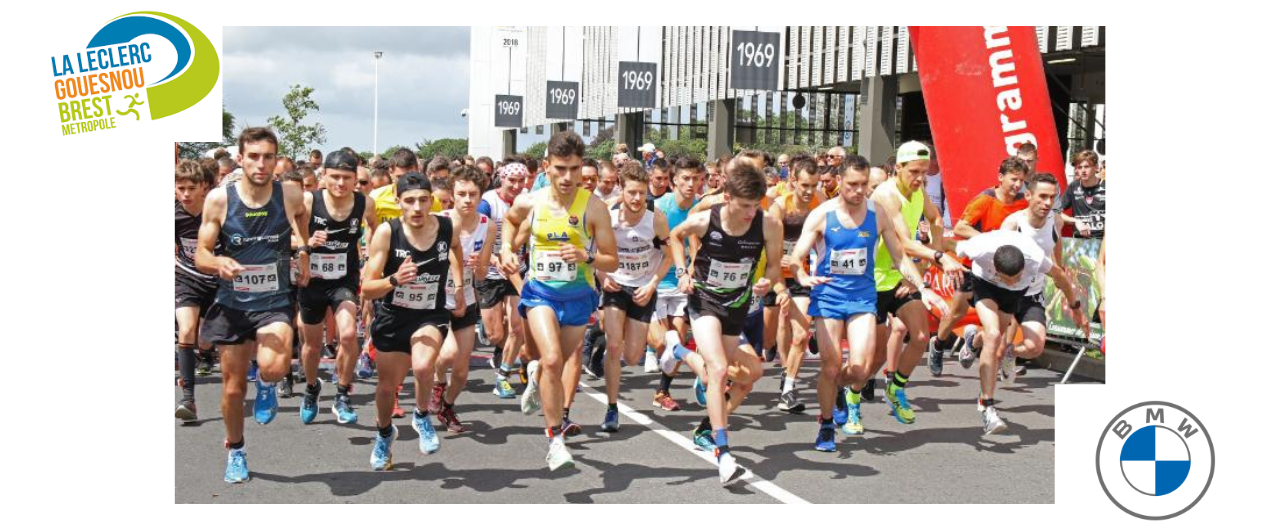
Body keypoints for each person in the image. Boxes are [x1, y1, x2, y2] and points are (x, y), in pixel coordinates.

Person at [789, 154, 946, 450]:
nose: (859, 191)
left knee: (860, 369)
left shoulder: (878, 213)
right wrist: (802, 276)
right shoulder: (822, 214)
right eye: (852, 184)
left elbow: (899, 255)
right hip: (828, 297)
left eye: (864, 185)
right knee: (831, 363)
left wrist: (922, 286)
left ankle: (835, 388)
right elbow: (797, 257)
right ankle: (825, 425)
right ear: (839, 182)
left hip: (862, 297)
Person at [194, 127, 312, 483]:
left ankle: (267, 383)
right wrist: (218, 263)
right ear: (241, 159)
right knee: (232, 389)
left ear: (277, 160)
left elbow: (302, 221)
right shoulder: (219, 199)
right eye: (254, 156)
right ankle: (236, 449)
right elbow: (201, 252)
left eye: (269, 157)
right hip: (233, 304)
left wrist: (303, 250)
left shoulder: (290, 195)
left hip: (274, 299)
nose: (261, 164)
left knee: (274, 367)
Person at [501, 131, 618, 471]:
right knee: (552, 358)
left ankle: (537, 373)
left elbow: (612, 260)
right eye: (561, 169)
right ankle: (555, 439)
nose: (569, 178)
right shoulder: (531, 201)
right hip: (540, 293)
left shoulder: (594, 208)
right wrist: (507, 249)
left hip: (579, 297)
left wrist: (587, 256)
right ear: (547, 167)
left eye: (576, 169)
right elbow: (510, 222)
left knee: (557, 361)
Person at [663, 161, 781, 485]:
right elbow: (676, 235)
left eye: (755, 206)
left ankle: (679, 352)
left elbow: (773, 267)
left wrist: (767, 282)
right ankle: (724, 454)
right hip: (704, 301)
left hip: (738, 306)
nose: (749, 213)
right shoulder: (705, 220)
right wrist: (682, 272)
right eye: (744, 206)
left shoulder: (768, 224)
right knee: (716, 370)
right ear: (726, 196)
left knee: (745, 374)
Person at [362, 172, 467, 469]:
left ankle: (421, 415)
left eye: (423, 200)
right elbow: (367, 288)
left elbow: (456, 250)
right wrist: (395, 279)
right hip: (393, 316)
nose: (417, 208)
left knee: (423, 366)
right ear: (398, 202)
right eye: (409, 201)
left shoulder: (447, 226)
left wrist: (458, 286)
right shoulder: (387, 232)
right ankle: (384, 434)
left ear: (432, 200)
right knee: (386, 388)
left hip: (429, 313)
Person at [866, 141, 965, 427]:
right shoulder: (887, 195)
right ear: (897, 168)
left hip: (902, 275)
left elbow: (935, 219)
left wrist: (923, 265)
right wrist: (938, 257)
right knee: (874, 353)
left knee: (920, 336)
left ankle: (896, 389)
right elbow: (905, 242)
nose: (921, 178)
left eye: (924, 172)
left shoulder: (918, 189)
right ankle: (852, 389)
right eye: (914, 171)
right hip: (874, 280)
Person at [953, 229, 1081, 434]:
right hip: (984, 285)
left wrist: (1076, 308)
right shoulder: (980, 248)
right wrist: (942, 260)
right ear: (995, 266)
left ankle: (973, 340)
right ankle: (986, 406)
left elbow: (1060, 277)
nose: (1013, 280)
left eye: (1018, 276)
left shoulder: (1035, 257)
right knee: (994, 335)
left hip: (1013, 296)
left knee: (992, 340)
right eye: (1008, 277)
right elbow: (945, 244)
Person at [296, 151, 380, 425]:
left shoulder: (364, 203)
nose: (341, 183)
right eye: (335, 177)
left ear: (356, 179)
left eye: (347, 178)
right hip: (313, 281)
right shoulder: (309, 200)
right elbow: (291, 236)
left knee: (346, 335)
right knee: (312, 345)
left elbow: (377, 233)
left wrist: (371, 262)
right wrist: (308, 242)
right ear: (323, 177)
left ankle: (343, 394)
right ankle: (311, 388)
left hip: (344, 280)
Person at [930, 157, 1030, 374]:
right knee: (957, 313)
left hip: (1002, 270)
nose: (1018, 185)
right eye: (1014, 179)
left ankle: (990, 351)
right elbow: (961, 228)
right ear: (1001, 177)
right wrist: (988, 242)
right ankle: (938, 344)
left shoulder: (1024, 203)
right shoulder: (985, 200)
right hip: (973, 267)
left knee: (1007, 316)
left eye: (1021, 180)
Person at [598, 161, 673, 432]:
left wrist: (653, 284)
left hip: (643, 289)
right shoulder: (608, 215)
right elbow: (595, 252)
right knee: (615, 347)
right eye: (631, 192)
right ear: (622, 189)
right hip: (617, 286)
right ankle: (611, 407)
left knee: (632, 357)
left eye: (642, 193)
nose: (637, 199)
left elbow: (669, 256)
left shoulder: (657, 219)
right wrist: (603, 277)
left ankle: (600, 344)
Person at [430, 165, 497, 433]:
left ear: (481, 196)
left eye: (473, 194)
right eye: (461, 194)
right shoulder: (438, 221)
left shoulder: (487, 226)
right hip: (438, 298)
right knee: (447, 354)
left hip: (467, 297)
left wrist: (478, 263)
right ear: (452, 195)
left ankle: (447, 405)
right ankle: (436, 382)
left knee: (461, 371)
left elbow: (482, 272)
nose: (467, 200)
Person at [768, 155, 823, 413]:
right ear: (792, 181)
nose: (809, 191)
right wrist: (782, 257)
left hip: (803, 275)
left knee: (800, 334)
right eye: (804, 186)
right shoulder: (780, 206)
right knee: (774, 328)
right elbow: (768, 246)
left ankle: (789, 388)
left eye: (814, 185)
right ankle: (783, 368)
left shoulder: (820, 203)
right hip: (776, 274)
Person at [647, 157, 703, 411]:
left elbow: (697, 247)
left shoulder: (701, 208)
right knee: (662, 343)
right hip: (655, 280)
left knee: (678, 341)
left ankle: (662, 391)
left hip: (682, 283)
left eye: (696, 179)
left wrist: (688, 272)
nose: (691, 184)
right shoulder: (658, 208)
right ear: (674, 181)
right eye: (686, 179)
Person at [478, 162, 529, 399]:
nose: (517, 186)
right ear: (502, 180)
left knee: (517, 327)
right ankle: (500, 345)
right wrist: (491, 259)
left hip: (516, 269)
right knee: (496, 334)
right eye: (512, 181)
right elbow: (476, 235)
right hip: (489, 271)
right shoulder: (488, 202)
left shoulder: (529, 202)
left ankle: (503, 377)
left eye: (521, 181)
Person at [174, 160, 219, 421]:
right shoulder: (172, 213)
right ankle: (188, 400)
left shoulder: (218, 212)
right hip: (187, 277)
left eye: (192, 188)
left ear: (204, 187)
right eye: (181, 188)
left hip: (218, 280)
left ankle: (206, 352)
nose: (186, 194)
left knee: (206, 338)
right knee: (187, 329)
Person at [1058, 149, 1105, 238]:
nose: (1083, 170)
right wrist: (1075, 221)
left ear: (1096, 167)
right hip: (1079, 241)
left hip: (1103, 241)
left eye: (1086, 166)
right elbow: (1055, 211)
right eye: (1079, 167)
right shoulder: (1073, 186)